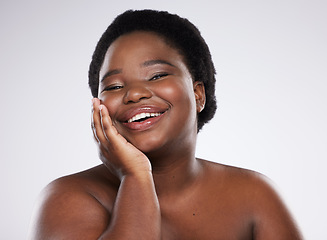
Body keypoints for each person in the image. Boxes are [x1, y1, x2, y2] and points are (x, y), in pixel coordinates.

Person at [29, 10, 303, 239]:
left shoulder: (254, 194)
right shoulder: (67, 197)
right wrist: (135, 177)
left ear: (198, 95)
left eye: (157, 75)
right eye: (114, 86)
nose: (134, 93)